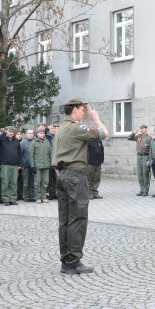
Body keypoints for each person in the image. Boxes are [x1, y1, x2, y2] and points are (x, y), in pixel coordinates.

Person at [52, 97, 108, 275]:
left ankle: (66, 260)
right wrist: (96, 118)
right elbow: (104, 133)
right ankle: (73, 262)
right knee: (78, 219)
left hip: (63, 175)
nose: (84, 113)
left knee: (65, 220)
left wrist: (62, 173)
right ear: (74, 110)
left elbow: (55, 159)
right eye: (82, 110)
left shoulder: (60, 129)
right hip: (76, 176)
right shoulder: (76, 127)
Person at [0, 127, 22, 206]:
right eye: (9, 131)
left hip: (15, 165)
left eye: (12, 132)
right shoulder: (2, 140)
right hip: (5, 165)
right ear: (6, 132)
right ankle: (5, 199)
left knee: (14, 183)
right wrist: (3, 134)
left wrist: (19, 164)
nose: (11, 133)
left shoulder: (16, 141)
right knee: (5, 182)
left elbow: (19, 153)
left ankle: (12, 199)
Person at [127, 124, 152, 196]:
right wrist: (134, 132)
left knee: (145, 173)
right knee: (140, 174)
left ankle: (146, 190)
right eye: (141, 129)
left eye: (143, 128)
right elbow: (129, 138)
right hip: (139, 156)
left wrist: (149, 160)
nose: (142, 130)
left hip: (145, 156)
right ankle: (142, 189)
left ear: (146, 129)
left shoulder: (149, 138)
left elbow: (150, 150)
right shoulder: (138, 137)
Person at [30, 127, 53, 203]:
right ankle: (38, 197)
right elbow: (31, 155)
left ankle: (44, 196)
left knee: (45, 181)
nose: (42, 135)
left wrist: (51, 163)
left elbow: (51, 154)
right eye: (40, 133)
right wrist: (32, 166)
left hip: (46, 165)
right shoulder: (34, 142)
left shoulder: (47, 142)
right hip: (37, 166)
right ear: (37, 134)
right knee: (37, 182)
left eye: (43, 133)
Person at [20, 129, 35, 202]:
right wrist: (22, 164)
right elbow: (20, 155)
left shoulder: (35, 142)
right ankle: (26, 197)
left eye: (32, 133)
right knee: (26, 182)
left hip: (34, 166)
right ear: (26, 135)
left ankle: (32, 196)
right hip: (25, 166)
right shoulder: (22, 143)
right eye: (30, 133)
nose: (31, 134)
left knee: (32, 182)